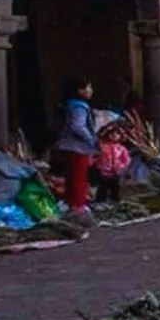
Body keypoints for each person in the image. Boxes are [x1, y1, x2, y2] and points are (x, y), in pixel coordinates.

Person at [52, 76, 98, 215]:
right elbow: (77, 126)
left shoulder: (70, 105)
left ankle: (71, 202)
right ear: (79, 90)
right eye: (88, 87)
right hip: (77, 147)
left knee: (72, 176)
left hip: (69, 146)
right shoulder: (79, 107)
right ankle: (78, 206)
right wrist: (91, 139)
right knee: (79, 177)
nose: (91, 91)